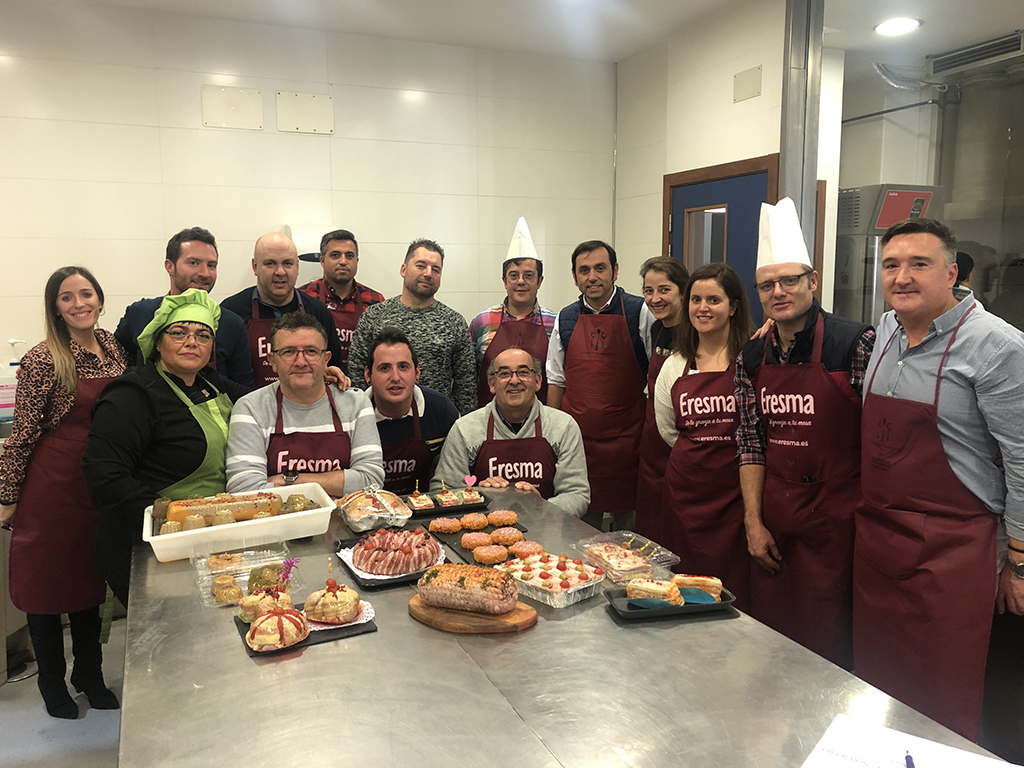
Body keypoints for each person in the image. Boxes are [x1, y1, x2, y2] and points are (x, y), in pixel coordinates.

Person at [852, 217, 1024, 741]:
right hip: (880, 544)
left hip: (952, 552)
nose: (902, 277)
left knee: (942, 694)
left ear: (952, 272)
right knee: (878, 688)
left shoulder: (997, 347)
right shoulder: (884, 330)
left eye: (919, 264)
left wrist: (1018, 562)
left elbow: (1022, 460)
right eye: (891, 265)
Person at [735, 197, 874, 669]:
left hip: (839, 527)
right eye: (767, 284)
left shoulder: (854, 342)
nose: (779, 291)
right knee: (774, 644)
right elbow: (751, 443)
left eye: (790, 280)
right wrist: (753, 523)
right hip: (775, 524)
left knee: (832, 646)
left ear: (812, 281)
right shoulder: (751, 357)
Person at [0, 267, 127, 719]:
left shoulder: (114, 347)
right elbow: (23, 434)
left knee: (89, 588)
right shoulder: (43, 359)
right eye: (67, 297)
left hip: (99, 483)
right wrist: (8, 496)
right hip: (52, 486)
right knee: (46, 592)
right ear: (55, 306)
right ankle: (53, 686)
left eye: (86, 294)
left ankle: (89, 678)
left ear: (99, 297)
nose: (79, 304)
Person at [84, 290, 249, 606]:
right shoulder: (132, 395)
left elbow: (266, 400)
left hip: (210, 538)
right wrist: (172, 517)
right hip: (151, 547)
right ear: (157, 342)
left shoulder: (210, 382)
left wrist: (311, 376)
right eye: (179, 333)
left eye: (203, 335)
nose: (192, 342)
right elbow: (103, 478)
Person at [655, 263, 755, 611]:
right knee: (684, 588)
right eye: (696, 299)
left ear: (734, 306)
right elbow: (668, 429)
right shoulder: (675, 365)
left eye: (714, 299)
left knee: (736, 591)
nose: (702, 308)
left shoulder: (753, 360)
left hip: (736, 496)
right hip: (685, 497)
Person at [546, 239, 653, 530]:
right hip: (578, 442)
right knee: (579, 525)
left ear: (615, 271)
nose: (592, 277)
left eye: (600, 268)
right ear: (575, 276)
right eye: (584, 270)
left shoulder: (640, 311)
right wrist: (549, 438)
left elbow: (656, 374)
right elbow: (556, 379)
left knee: (629, 530)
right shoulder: (565, 318)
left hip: (628, 440)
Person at [226, 313, 383, 495]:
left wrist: (289, 479)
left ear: (326, 359)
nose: (301, 362)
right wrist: (340, 482)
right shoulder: (250, 408)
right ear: (272, 361)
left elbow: (372, 481)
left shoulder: (355, 403)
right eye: (288, 352)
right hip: (277, 522)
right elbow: (243, 489)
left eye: (311, 351)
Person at [433, 347, 589, 516]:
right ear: (491, 384)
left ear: (538, 381)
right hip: (483, 536)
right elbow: (443, 491)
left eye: (523, 372)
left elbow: (577, 495)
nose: (514, 381)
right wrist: (478, 496)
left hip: (548, 531)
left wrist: (541, 507)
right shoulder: (465, 430)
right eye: (504, 374)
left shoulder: (564, 427)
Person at [347, 238, 476, 415]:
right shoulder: (374, 316)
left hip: (438, 424)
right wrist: (362, 417)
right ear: (403, 269)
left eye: (435, 269)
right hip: (379, 421)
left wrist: (462, 426)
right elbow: (357, 372)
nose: (428, 273)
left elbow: (466, 385)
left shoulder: (454, 322)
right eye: (421, 266)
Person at [115, 226, 254, 386]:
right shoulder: (140, 313)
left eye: (211, 265)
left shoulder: (232, 323)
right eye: (193, 263)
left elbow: (244, 387)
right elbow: (117, 361)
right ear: (170, 266)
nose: (205, 273)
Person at [220, 231, 344, 386]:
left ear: (297, 267)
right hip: (249, 408)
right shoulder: (231, 312)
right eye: (270, 263)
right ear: (255, 266)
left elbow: (334, 368)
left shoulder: (318, 312)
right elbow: (221, 380)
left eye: (287, 263)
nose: (280, 272)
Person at [469, 217, 555, 407]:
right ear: (504, 281)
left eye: (529, 276)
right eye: (514, 276)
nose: (521, 282)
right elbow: (469, 377)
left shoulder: (555, 323)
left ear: (540, 281)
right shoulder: (481, 322)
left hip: (541, 422)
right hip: (488, 422)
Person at [364, 327, 460, 495]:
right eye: (384, 368)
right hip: (365, 512)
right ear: (368, 375)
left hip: (424, 511)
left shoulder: (441, 410)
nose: (395, 377)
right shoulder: (353, 414)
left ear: (417, 373)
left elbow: (459, 470)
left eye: (403, 367)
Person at [634, 256, 688, 543]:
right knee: (650, 535)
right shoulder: (657, 329)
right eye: (648, 291)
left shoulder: (697, 333)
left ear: (683, 290)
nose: (655, 299)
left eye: (664, 290)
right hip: (652, 445)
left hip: (682, 448)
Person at [298, 228, 384, 369]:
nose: (343, 261)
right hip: (316, 383)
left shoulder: (376, 300)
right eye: (335, 255)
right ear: (322, 261)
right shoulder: (303, 297)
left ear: (356, 261)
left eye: (349, 256)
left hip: (362, 385)